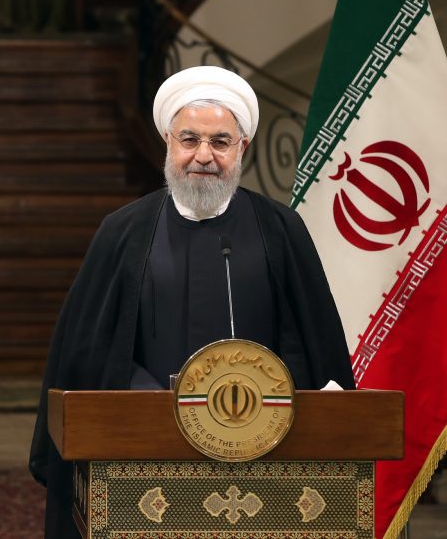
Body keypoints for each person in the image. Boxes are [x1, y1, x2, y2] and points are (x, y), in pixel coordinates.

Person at [28, 66, 354, 538]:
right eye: (190, 140)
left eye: (220, 142)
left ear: (242, 148)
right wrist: (155, 403)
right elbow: (89, 353)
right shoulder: (122, 232)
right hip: (146, 453)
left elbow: (313, 344)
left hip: (263, 451)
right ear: (167, 142)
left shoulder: (280, 230)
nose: (204, 155)